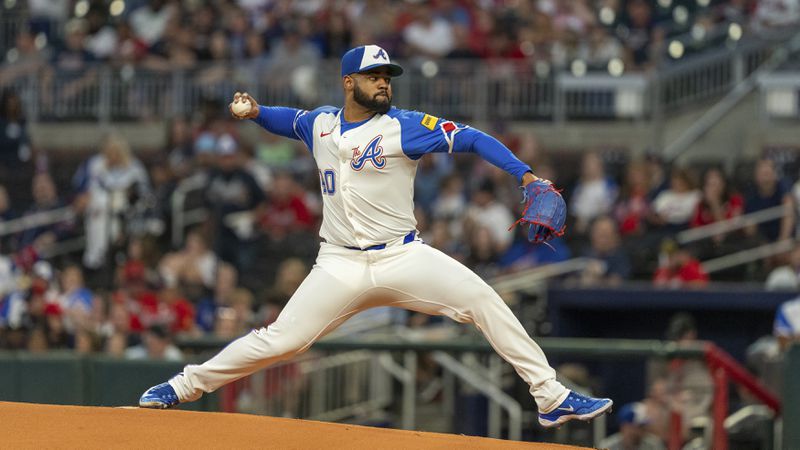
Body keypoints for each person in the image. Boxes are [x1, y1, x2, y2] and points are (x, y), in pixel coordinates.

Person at [139, 45, 612, 427]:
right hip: (338, 264)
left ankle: (550, 396)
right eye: (374, 75)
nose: (384, 82)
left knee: (484, 300)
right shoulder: (322, 123)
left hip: (402, 257)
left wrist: (525, 176)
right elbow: (290, 120)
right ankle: (183, 386)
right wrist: (257, 111)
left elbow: (471, 138)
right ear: (350, 82)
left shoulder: (402, 127)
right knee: (279, 340)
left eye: (387, 76)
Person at [598, 402, 666, 450]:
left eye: (644, 427)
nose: (642, 431)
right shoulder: (607, 446)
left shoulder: (654, 446)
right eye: (639, 427)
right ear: (625, 427)